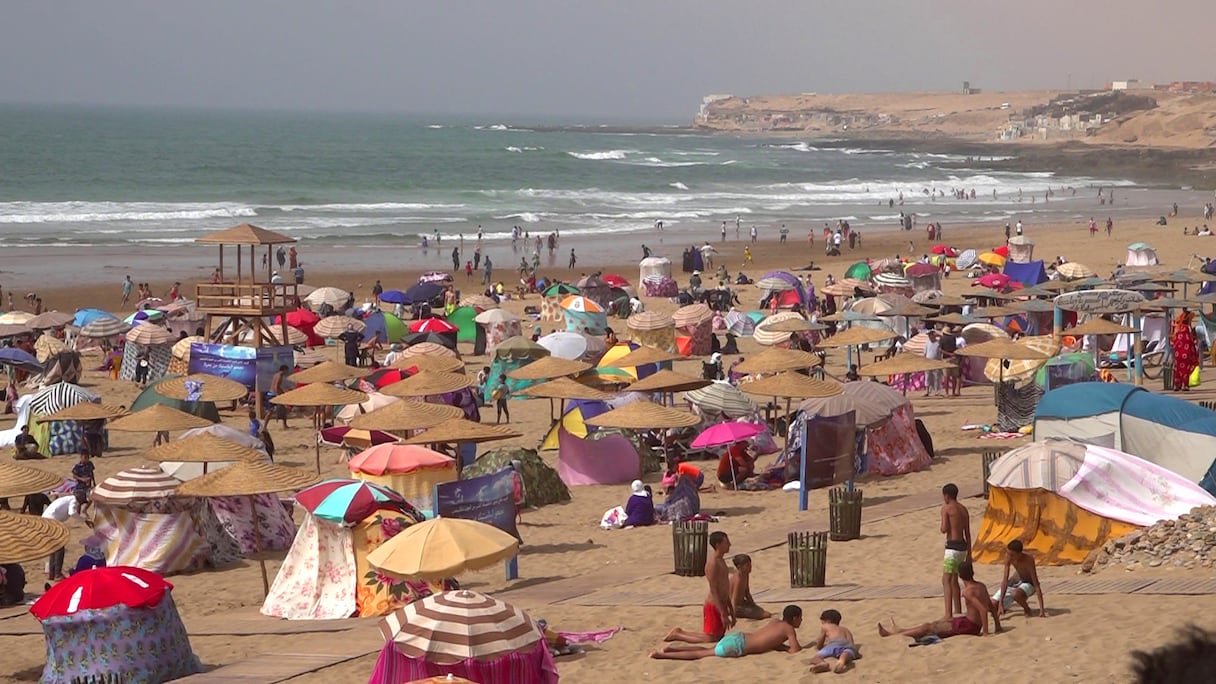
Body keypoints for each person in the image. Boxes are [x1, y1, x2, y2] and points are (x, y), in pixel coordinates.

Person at [879, 562, 1000, 640]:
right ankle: (902, 631)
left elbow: (983, 609)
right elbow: (990, 606)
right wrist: (997, 625)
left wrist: (985, 632)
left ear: (960, 576)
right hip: (968, 622)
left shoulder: (968, 592)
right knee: (937, 623)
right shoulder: (982, 586)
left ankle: (892, 635)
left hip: (969, 626)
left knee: (929, 628)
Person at [652, 604, 802, 660]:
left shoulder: (775, 622)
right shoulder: (788, 629)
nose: (801, 621)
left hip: (740, 637)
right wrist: (785, 647)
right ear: (794, 618)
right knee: (701, 654)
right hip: (738, 646)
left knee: (708, 649)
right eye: (800, 618)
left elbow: (768, 640)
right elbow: (795, 650)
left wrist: (778, 646)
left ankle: (672, 648)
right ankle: (662, 655)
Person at [661, 531, 734, 644]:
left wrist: (730, 608)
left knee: (717, 637)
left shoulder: (721, 561)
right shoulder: (713, 563)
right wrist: (722, 612)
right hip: (714, 604)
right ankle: (678, 634)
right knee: (710, 638)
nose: (729, 544)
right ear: (718, 545)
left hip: (722, 603)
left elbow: (725, 586)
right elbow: (714, 589)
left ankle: (679, 633)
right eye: (726, 542)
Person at [940, 483, 971, 619]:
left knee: (946, 580)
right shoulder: (964, 509)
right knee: (955, 580)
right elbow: (968, 533)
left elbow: (944, 528)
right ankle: (958, 610)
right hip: (963, 547)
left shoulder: (946, 509)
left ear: (946, 496)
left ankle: (948, 614)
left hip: (952, 547)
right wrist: (970, 553)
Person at [992, 539, 1046, 617]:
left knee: (1015, 594)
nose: (1010, 557)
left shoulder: (1028, 559)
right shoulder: (1008, 557)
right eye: (1008, 554)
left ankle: (1027, 609)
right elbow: (1005, 580)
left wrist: (1042, 610)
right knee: (992, 604)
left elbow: (1036, 583)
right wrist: (1000, 603)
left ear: (1019, 554)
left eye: (1012, 555)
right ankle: (1004, 606)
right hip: (1015, 582)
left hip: (1029, 583)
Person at [808, 609, 859, 674]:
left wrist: (818, 647)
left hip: (834, 644)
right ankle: (842, 659)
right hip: (848, 645)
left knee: (816, 657)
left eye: (822, 622)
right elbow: (851, 643)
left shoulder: (825, 626)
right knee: (847, 652)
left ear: (827, 621)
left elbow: (820, 642)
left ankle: (822, 663)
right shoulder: (846, 629)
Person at [43, 494, 80, 581]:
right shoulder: (73, 500)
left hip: (46, 520)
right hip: (52, 521)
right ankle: (57, 574)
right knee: (60, 546)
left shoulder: (66, 499)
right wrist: (83, 519)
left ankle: (52, 573)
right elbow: (72, 513)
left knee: (54, 547)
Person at [730, 554, 770, 620]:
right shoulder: (738, 579)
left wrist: (753, 605)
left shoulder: (745, 574)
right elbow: (733, 599)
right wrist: (733, 615)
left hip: (742, 603)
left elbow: (747, 592)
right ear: (739, 567)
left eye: (750, 565)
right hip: (736, 607)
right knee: (765, 615)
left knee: (763, 612)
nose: (750, 567)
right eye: (747, 565)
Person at [1172, 309, 1199, 391]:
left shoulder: (1178, 327)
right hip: (1186, 352)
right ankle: (1185, 385)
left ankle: (1177, 385)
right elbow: (1190, 340)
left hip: (1178, 352)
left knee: (1178, 369)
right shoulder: (1188, 328)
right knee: (1186, 369)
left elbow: (1175, 339)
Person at [72, 451, 95, 516]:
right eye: (85, 457)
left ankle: (85, 509)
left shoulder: (90, 464)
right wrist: (82, 479)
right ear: (81, 457)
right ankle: (77, 515)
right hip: (80, 487)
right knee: (79, 501)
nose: (86, 459)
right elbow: (74, 476)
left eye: (87, 457)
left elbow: (92, 473)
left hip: (88, 486)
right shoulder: (78, 466)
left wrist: (94, 482)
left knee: (91, 498)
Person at [924, 330, 943, 396]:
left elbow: (940, 352)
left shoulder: (938, 343)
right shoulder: (927, 343)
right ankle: (927, 391)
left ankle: (936, 391)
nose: (929, 336)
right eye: (929, 335)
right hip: (928, 362)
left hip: (936, 362)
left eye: (931, 335)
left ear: (934, 335)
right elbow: (925, 353)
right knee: (927, 376)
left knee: (936, 377)